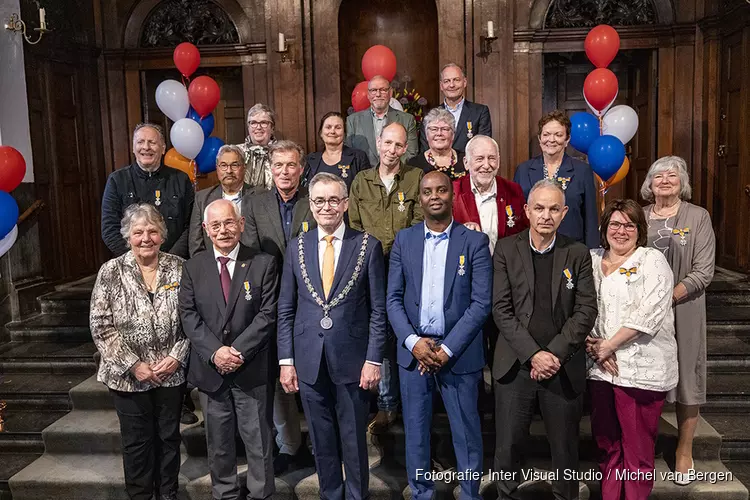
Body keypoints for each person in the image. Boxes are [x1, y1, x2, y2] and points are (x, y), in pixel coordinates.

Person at [277, 172, 386, 500]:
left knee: (353, 443)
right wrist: (286, 361)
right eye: (320, 201)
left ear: (346, 204)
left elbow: (379, 310)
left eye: (334, 200)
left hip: (354, 362)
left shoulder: (367, 246)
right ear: (310, 205)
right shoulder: (296, 247)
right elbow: (286, 307)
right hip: (308, 360)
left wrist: (373, 359)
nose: (327, 207)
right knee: (322, 442)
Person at [387, 171, 491, 500]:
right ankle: (421, 493)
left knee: (466, 431)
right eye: (428, 191)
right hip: (414, 351)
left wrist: (446, 349)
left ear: (451, 195)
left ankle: (471, 493)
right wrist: (413, 342)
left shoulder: (475, 242)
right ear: (420, 198)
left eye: (442, 190)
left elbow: (481, 303)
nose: (435, 196)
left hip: (457, 353)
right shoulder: (404, 240)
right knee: (416, 433)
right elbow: (392, 300)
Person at [492, 179, 598, 500]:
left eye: (554, 208)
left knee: (565, 452)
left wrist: (552, 354)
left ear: (564, 213)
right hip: (515, 366)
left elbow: (586, 310)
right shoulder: (506, 249)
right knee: (508, 448)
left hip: (562, 368)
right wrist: (533, 355)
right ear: (526, 211)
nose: (546, 215)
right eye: (539, 208)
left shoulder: (577, 253)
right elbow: (501, 309)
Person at [179, 199, 279, 500]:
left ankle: (261, 494)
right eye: (216, 225)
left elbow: (267, 314)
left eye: (229, 223)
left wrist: (236, 352)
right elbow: (188, 315)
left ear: (242, 224)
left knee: (258, 442)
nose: (223, 230)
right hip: (211, 372)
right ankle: (225, 493)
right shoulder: (193, 266)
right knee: (219, 443)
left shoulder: (263, 263)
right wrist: (215, 352)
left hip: (250, 370)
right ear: (206, 230)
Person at [90, 203, 188, 500]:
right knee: (137, 443)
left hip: (170, 375)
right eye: (138, 232)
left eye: (152, 231)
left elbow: (194, 319)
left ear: (162, 235)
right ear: (127, 237)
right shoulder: (110, 271)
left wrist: (176, 357)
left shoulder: (180, 267)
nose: (146, 238)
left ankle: (168, 493)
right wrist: (134, 364)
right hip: (127, 378)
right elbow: (100, 325)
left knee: (168, 439)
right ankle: (141, 495)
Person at [586, 199, 678, 499]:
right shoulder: (590, 259)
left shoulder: (651, 260)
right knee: (608, 446)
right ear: (604, 228)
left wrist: (609, 345)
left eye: (629, 225)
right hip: (600, 371)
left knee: (637, 452)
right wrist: (591, 344)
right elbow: (578, 308)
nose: (621, 231)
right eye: (615, 224)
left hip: (641, 371)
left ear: (640, 231)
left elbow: (649, 312)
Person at [641, 156, 715, 484]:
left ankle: (684, 452)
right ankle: (643, 445)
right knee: (644, 375)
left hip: (683, 308)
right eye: (659, 176)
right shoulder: (639, 216)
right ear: (650, 183)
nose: (665, 181)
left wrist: (668, 296)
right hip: (643, 310)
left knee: (688, 379)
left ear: (682, 182)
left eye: (672, 176)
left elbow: (703, 271)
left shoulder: (697, 217)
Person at [244, 140, 316, 475]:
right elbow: (251, 253)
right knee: (279, 376)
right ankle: (289, 446)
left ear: (301, 169)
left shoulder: (312, 200)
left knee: (315, 377)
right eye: (278, 166)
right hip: (269, 301)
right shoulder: (254, 203)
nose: (284, 172)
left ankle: (318, 443)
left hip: (312, 302)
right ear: (270, 169)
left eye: (291, 165)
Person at [349, 122, 424, 434]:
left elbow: (420, 219)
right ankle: (385, 403)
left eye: (398, 145)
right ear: (378, 142)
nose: (392, 150)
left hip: (405, 265)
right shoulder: (361, 181)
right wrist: (370, 252)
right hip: (368, 267)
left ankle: (409, 404)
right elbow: (352, 222)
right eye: (388, 143)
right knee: (377, 333)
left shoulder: (415, 177)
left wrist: (395, 248)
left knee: (402, 334)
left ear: (405, 148)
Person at [101, 123, 194, 259]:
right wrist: (137, 260)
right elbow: (109, 229)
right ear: (133, 148)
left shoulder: (181, 179)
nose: (146, 147)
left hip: (175, 262)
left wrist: (170, 259)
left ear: (163, 149)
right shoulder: (117, 180)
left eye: (152, 142)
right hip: (132, 264)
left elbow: (190, 226)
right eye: (140, 142)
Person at [513, 110, 598, 248]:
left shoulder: (582, 171)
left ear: (567, 139)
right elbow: (517, 213)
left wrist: (592, 253)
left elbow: (591, 219)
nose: (551, 140)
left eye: (558, 135)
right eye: (546, 135)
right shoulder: (523, 170)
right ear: (540, 139)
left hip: (571, 248)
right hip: (531, 248)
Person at [453, 135, 528, 253]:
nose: (487, 165)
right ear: (466, 163)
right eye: (479, 159)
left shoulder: (513, 190)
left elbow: (523, 234)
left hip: (504, 268)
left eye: (492, 158)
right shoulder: (453, 192)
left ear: (498, 161)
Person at [189, 144, 255, 257]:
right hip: (213, 267)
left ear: (244, 167)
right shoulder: (202, 198)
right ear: (217, 168)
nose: (229, 171)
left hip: (251, 264)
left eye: (234, 165)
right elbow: (196, 244)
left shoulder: (259, 196)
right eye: (223, 165)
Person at [346, 75, 418, 166]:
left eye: (383, 90)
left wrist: (390, 169)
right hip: (363, 176)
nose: (378, 94)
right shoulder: (353, 121)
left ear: (390, 93)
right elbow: (349, 154)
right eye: (373, 90)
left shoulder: (407, 119)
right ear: (368, 95)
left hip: (397, 175)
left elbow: (411, 153)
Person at [419, 63, 492, 154]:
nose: (452, 85)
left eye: (456, 80)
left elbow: (483, 147)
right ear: (441, 86)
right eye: (447, 81)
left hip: (467, 167)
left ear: (464, 82)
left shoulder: (480, 112)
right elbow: (425, 150)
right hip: (436, 167)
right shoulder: (430, 115)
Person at [304, 111, 371, 190]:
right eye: (328, 127)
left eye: (338, 128)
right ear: (321, 133)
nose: (332, 131)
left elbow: (367, 191)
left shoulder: (359, 157)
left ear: (344, 133)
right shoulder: (310, 159)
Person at [408, 107, 466, 180]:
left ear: (453, 134)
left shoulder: (465, 160)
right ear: (426, 134)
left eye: (445, 129)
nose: (439, 133)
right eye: (434, 129)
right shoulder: (414, 164)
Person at [238, 103, 277, 190]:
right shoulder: (237, 152)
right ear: (248, 127)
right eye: (253, 123)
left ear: (272, 128)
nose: (258, 127)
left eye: (264, 123)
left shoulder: (281, 153)